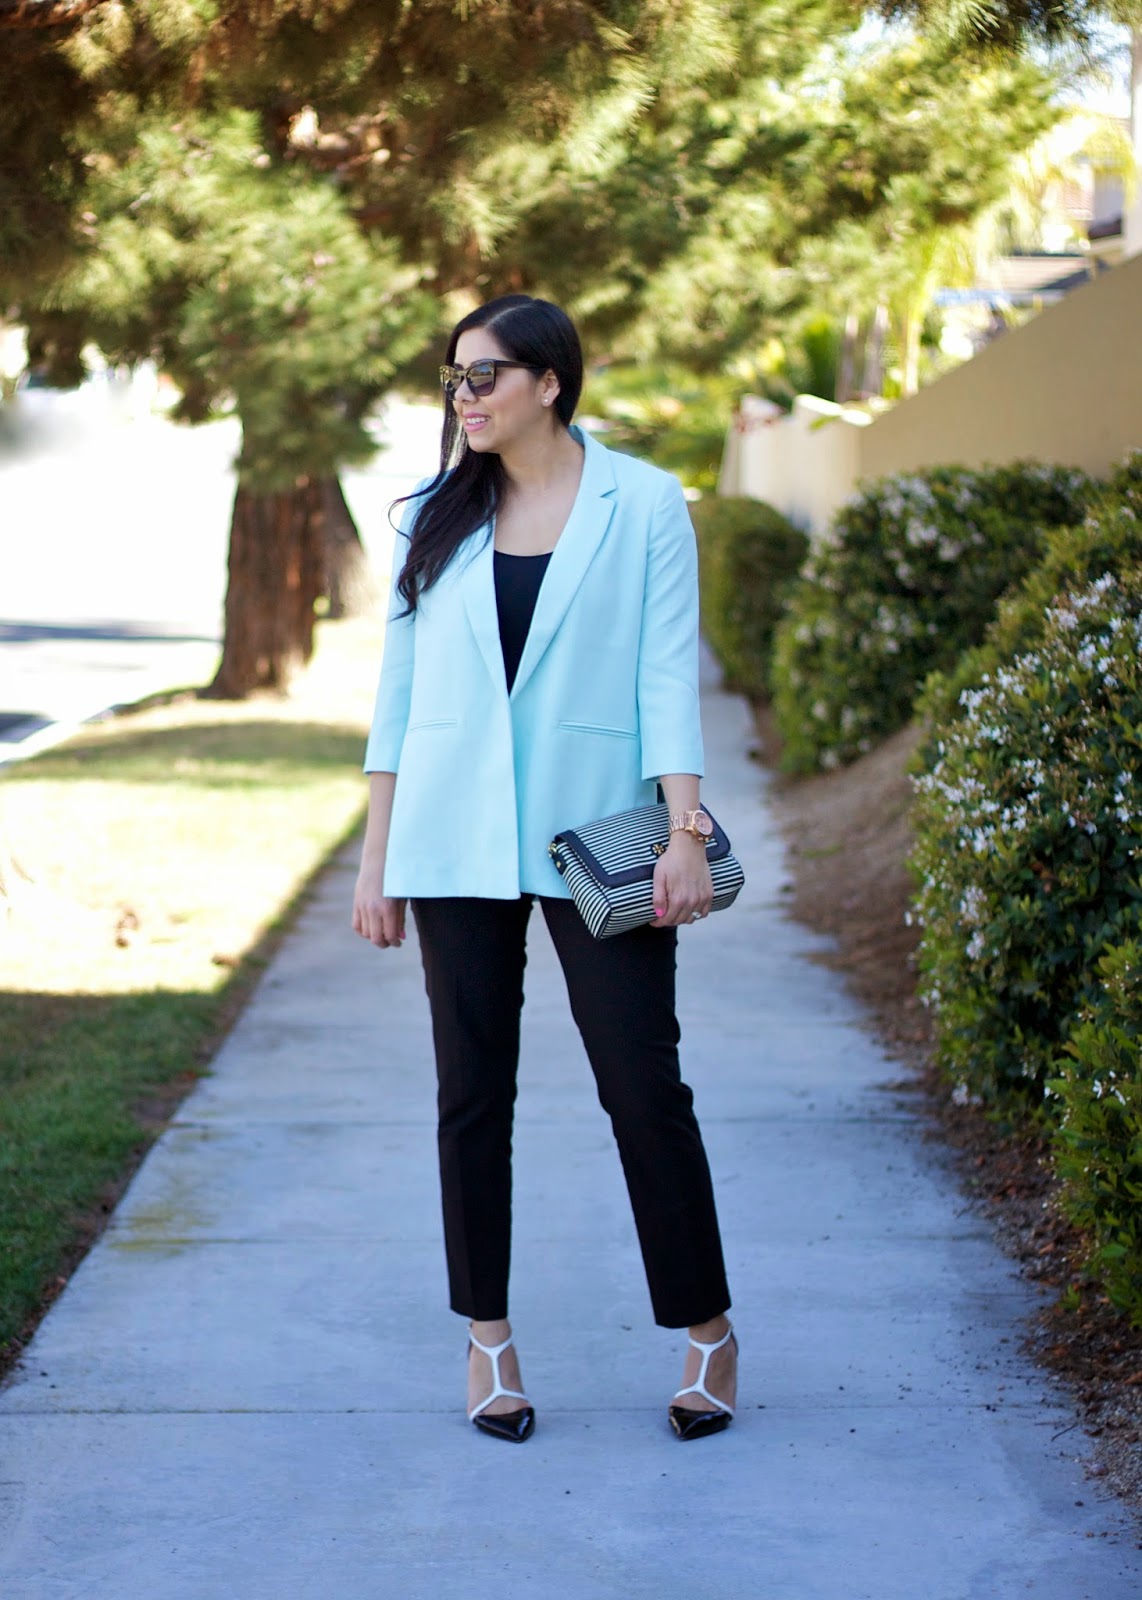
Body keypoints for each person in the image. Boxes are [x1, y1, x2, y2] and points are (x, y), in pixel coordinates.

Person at [352, 294, 736, 1444]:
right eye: (454, 377)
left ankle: (706, 1330)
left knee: (641, 1087)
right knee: (471, 1095)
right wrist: (377, 864)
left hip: (599, 832)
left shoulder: (644, 501)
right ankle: (488, 1339)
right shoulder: (432, 513)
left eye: (485, 375)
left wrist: (682, 830)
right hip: (453, 840)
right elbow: (398, 701)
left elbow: (666, 673)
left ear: (549, 382)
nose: (464, 395)